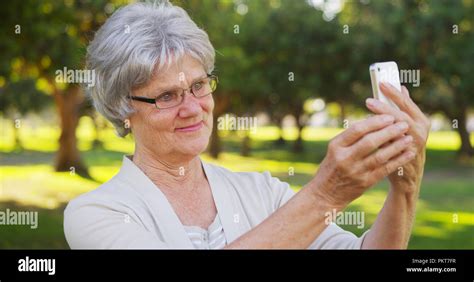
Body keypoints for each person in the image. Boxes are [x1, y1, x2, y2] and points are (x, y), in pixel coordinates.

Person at [63, 1, 431, 249]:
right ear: (123, 107)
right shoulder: (95, 214)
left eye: (198, 86)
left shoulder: (262, 192)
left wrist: (405, 190)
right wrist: (325, 195)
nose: (193, 108)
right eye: (167, 96)